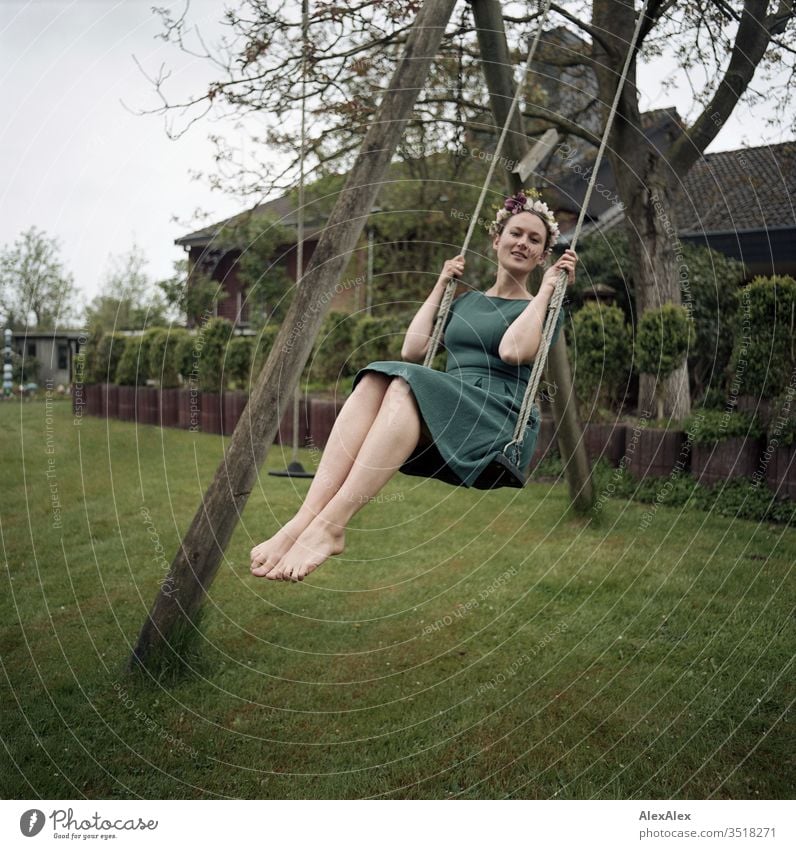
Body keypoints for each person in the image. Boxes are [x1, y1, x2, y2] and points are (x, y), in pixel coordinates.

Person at [250, 191, 578, 582]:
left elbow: (511, 350)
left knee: (405, 386)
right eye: (516, 233)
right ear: (496, 239)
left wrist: (546, 291)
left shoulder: (545, 309)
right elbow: (413, 348)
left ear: (543, 256)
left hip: (496, 417)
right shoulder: (465, 302)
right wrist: (441, 284)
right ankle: (303, 521)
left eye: (534, 240)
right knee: (376, 376)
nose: (522, 243)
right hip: (452, 403)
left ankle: (331, 526)